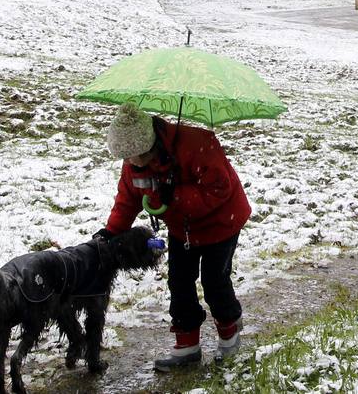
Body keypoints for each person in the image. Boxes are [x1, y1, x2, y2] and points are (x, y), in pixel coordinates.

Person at [97, 103, 250, 370]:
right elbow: (127, 200)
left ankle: (229, 333)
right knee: (179, 282)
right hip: (182, 228)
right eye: (126, 156)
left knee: (214, 281)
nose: (130, 162)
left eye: (134, 155)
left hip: (221, 223)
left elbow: (219, 188)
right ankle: (187, 346)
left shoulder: (197, 143)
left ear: (149, 144)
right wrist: (111, 232)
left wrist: (174, 196)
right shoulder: (133, 163)